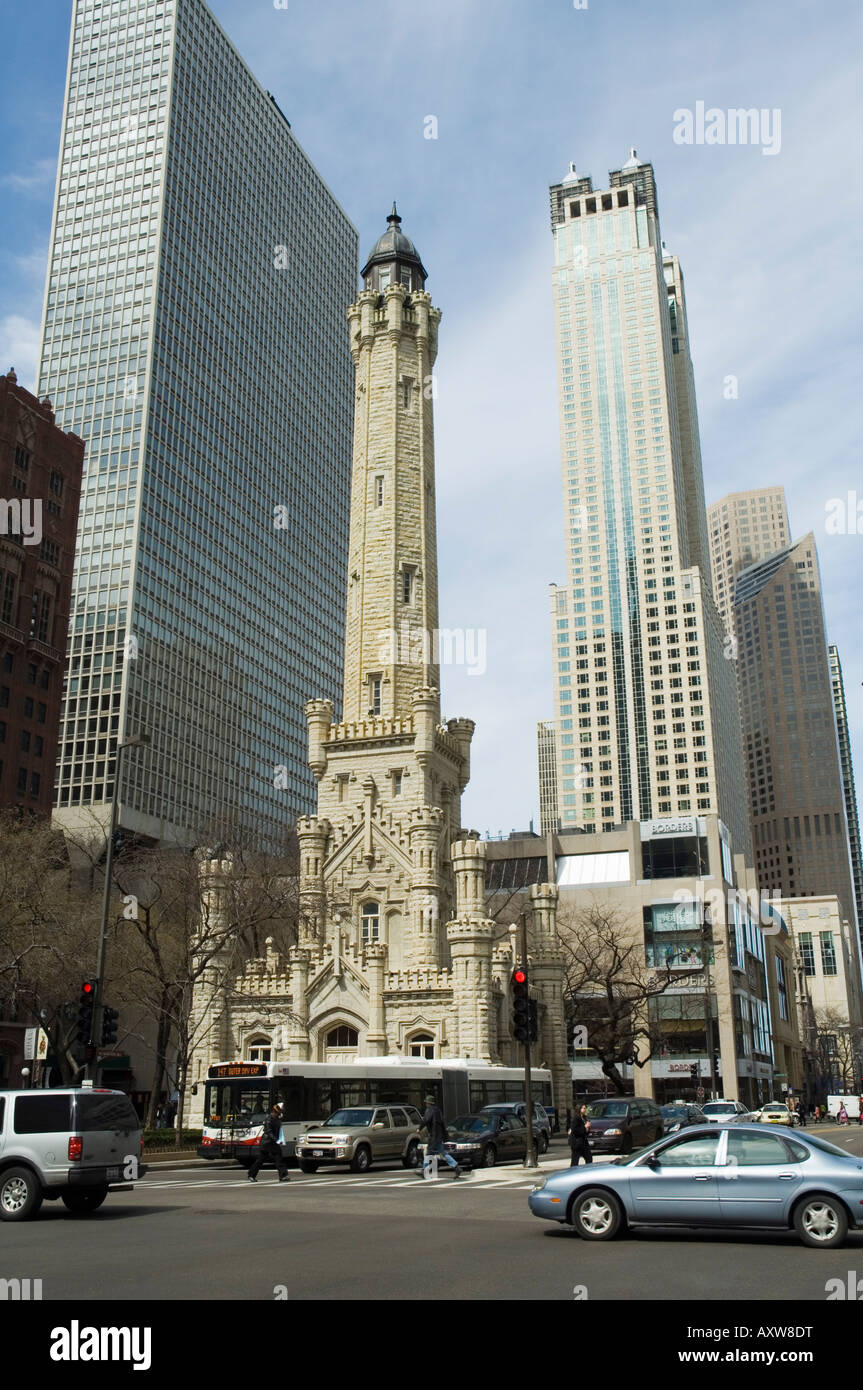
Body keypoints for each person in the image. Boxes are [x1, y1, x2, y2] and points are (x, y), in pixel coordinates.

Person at [418, 1094, 461, 1180]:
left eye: (426, 1102)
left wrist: (419, 1128)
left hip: (434, 1136)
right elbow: (442, 1124)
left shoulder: (429, 1110)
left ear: (429, 1103)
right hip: (439, 1136)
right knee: (443, 1152)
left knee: (428, 1153)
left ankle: (424, 1171)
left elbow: (426, 1120)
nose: (426, 1104)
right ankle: (456, 1167)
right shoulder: (438, 1111)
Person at [248, 1103, 290, 1182]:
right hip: (268, 1142)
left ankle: (251, 1174)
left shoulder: (276, 1118)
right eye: (279, 1111)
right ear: (275, 1111)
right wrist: (276, 1139)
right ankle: (283, 1175)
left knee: (264, 1159)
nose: (280, 1113)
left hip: (270, 1142)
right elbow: (269, 1131)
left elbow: (277, 1130)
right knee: (276, 1157)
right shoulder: (270, 1119)